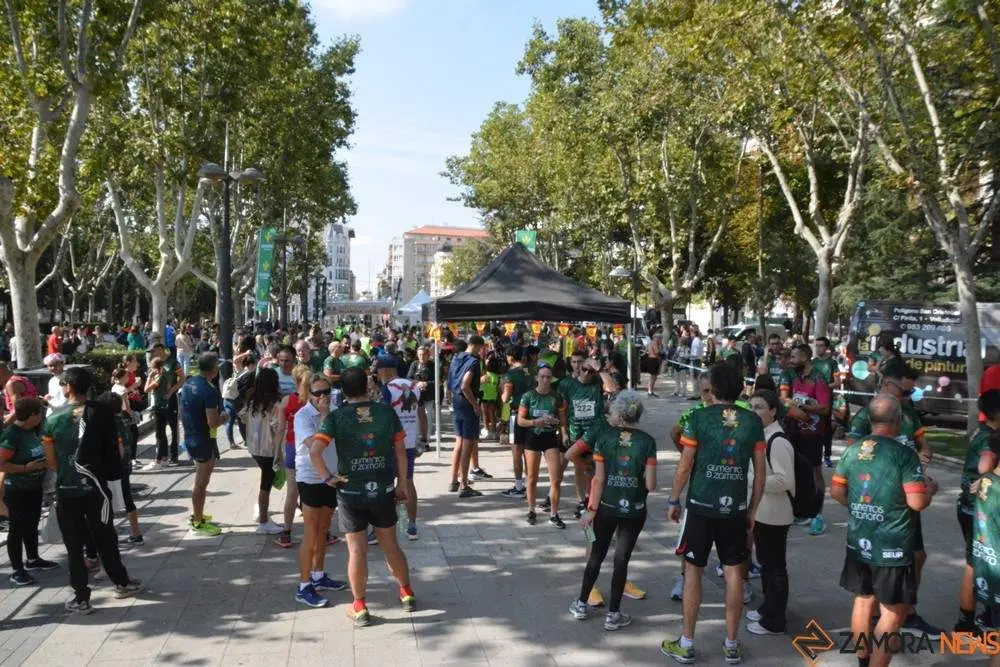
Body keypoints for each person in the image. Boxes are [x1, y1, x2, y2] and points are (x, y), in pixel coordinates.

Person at [662, 364, 766, 665]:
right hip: (734, 508)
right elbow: (760, 472)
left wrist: (673, 498)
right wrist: (753, 510)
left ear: (714, 388)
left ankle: (686, 642)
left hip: (701, 507)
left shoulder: (698, 418)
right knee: (735, 573)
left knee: (693, 570)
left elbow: (684, 465)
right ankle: (732, 644)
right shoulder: (752, 421)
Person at [830, 396, 937, 667]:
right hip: (893, 544)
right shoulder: (904, 454)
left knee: (863, 601)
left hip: (858, 539)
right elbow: (916, 502)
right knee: (892, 614)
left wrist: (859, 508)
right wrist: (931, 489)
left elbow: (837, 491)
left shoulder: (852, 451)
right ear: (898, 420)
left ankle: (863, 661)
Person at [312, 368, 415, 627]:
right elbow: (401, 451)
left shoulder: (335, 417)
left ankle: (359, 606)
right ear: (368, 387)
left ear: (343, 392)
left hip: (350, 492)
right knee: (391, 544)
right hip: (383, 489)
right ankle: (406, 592)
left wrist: (328, 477)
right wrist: (402, 483)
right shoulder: (386, 412)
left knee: (356, 550)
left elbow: (315, 452)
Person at [42, 367, 142, 614]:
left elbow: (51, 462)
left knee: (74, 547)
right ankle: (121, 582)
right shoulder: (104, 413)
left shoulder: (52, 419)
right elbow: (113, 452)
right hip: (97, 488)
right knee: (106, 537)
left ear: (69, 387)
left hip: (67, 489)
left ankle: (81, 597)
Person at [569, 390, 655, 631]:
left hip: (605, 506)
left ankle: (581, 604)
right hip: (635, 509)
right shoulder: (647, 442)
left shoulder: (604, 439)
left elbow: (597, 480)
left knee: (596, 553)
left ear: (617, 412)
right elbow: (651, 484)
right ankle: (614, 614)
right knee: (621, 559)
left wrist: (590, 510)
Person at [292, 373, 347, 608]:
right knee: (311, 533)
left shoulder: (335, 409)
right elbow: (314, 446)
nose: (324, 396)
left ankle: (318, 574)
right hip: (311, 478)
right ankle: (304, 586)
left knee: (324, 530)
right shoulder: (303, 416)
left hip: (331, 476)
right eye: (318, 393)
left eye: (327, 391)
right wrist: (325, 416)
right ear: (308, 394)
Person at [744, 389, 794, 635]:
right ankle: (768, 607)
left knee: (775, 567)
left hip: (776, 513)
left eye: (760, 407)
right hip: (763, 511)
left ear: (773, 410)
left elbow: (785, 480)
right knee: (765, 564)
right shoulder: (764, 435)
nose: (754, 411)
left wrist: (754, 479)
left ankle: (776, 619)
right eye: (751, 406)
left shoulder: (778, 440)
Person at [956, 389, 1000, 633]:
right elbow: (985, 465)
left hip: (972, 505)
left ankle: (971, 617)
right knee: (977, 561)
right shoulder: (988, 437)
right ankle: (969, 619)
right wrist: (988, 478)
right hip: (980, 508)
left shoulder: (982, 432)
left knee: (976, 560)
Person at [0, 397, 58, 586]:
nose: (41, 416)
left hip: (34, 487)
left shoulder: (31, 431)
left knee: (32, 524)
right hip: (17, 490)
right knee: (17, 529)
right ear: (32, 415)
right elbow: (2, 464)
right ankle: (17, 570)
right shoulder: (12, 435)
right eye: (40, 413)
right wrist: (26, 468)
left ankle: (33, 559)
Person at [779, 343, 831, 536]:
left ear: (805, 358)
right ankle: (802, 511)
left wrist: (803, 407)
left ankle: (818, 515)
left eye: (794, 357)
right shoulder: (796, 378)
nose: (791, 361)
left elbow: (825, 408)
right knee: (797, 471)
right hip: (796, 431)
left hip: (814, 432)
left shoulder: (818, 378)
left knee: (815, 472)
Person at [179, 353, 227, 537]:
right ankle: (197, 522)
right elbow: (212, 422)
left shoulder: (189, 383)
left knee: (200, 482)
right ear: (213, 370)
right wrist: (225, 417)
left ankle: (198, 514)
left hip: (191, 436)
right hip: (202, 440)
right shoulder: (209, 390)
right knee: (201, 483)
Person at [378, 356, 424, 540]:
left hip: (391, 443)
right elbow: (421, 412)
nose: (378, 374)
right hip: (410, 442)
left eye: (379, 370)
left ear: (386, 370)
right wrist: (425, 438)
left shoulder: (388, 389)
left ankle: (384, 527)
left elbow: (383, 416)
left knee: (386, 485)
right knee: (408, 482)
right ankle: (412, 526)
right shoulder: (414, 386)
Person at [518, 363, 566, 528]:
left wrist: (558, 425)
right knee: (532, 478)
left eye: (548, 377)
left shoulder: (556, 397)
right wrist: (535, 421)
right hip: (532, 438)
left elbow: (562, 420)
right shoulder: (528, 396)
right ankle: (531, 510)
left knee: (556, 479)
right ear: (537, 378)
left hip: (550, 438)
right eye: (542, 377)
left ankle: (554, 513)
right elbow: (520, 421)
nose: (545, 380)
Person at [560, 354, 605, 518]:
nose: (580, 367)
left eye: (583, 364)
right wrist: (564, 432)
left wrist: (599, 369)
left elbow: (612, 387)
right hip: (576, 432)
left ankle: (594, 499)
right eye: (575, 362)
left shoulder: (597, 380)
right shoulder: (566, 384)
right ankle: (582, 500)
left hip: (597, 433)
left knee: (596, 468)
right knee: (579, 467)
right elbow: (562, 411)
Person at [243, 368, 286, 536]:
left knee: (265, 482)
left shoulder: (252, 401)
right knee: (265, 485)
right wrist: (278, 453)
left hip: (254, 447)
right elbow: (277, 429)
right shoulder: (275, 404)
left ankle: (262, 515)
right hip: (268, 449)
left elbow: (243, 417)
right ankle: (263, 521)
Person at [448, 336, 486, 498]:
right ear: (477, 346)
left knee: (459, 442)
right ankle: (464, 484)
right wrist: (476, 406)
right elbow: (465, 385)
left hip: (457, 403)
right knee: (468, 444)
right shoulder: (473, 362)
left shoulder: (455, 358)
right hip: (467, 404)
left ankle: (453, 480)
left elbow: (450, 383)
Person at [144, 343, 184, 469]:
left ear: (161, 349)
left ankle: (174, 455)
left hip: (170, 399)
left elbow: (182, 378)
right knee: (160, 430)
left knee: (173, 427)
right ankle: (163, 456)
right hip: (158, 402)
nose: (152, 353)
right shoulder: (155, 363)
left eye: (154, 351)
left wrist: (172, 391)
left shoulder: (173, 362)